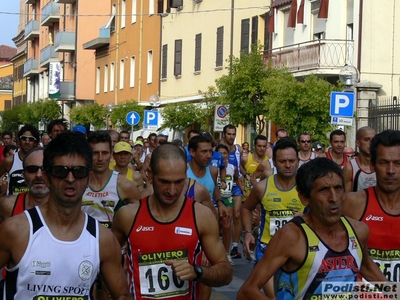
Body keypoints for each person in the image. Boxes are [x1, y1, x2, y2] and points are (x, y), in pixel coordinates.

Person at [0, 131, 133, 300]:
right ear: (47, 177)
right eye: (60, 171)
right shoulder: (15, 230)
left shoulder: (103, 239)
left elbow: (122, 294)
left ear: (88, 178)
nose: (70, 179)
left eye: (79, 171)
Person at [238, 157, 387, 300]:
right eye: (324, 190)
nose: (333, 198)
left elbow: (372, 274)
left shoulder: (359, 231)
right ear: (304, 198)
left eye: (338, 188)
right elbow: (247, 292)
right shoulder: (291, 236)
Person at [111, 143, 232, 299]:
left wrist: (197, 271)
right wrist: (120, 293)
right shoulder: (128, 216)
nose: (172, 190)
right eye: (165, 182)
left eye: (179, 182)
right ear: (150, 174)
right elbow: (108, 262)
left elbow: (226, 272)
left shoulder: (201, 216)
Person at [241, 137, 304, 297]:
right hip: (267, 251)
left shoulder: (307, 187)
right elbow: (246, 208)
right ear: (274, 162)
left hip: (298, 251)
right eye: (283, 161)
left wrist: (306, 217)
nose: (288, 165)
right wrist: (248, 232)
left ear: (298, 161)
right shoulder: (262, 187)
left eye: (292, 160)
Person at [343, 129, 400, 282]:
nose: (390, 171)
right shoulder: (353, 203)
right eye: (383, 163)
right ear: (373, 165)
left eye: (397, 163)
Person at [81, 131, 140, 228]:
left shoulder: (125, 185)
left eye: (104, 153)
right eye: (95, 153)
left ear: (111, 154)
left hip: (111, 241)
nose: (100, 158)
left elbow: (140, 219)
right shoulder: (78, 183)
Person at [0, 148, 49, 224]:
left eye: (45, 169)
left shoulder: (68, 208)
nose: (39, 175)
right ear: (24, 176)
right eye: (32, 169)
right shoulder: (7, 206)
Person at [219, 124, 244, 259]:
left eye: (233, 134)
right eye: (229, 134)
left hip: (235, 182)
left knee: (237, 214)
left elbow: (240, 167)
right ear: (224, 135)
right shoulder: (218, 148)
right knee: (224, 218)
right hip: (223, 184)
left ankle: (234, 246)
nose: (231, 137)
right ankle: (222, 244)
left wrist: (244, 179)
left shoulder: (238, 149)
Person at [0, 125, 39, 196]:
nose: (27, 142)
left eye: (30, 139)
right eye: (24, 138)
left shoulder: (41, 162)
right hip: (13, 205)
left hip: (34, 205)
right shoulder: (9, 161)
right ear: (19, 141)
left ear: (35, 142)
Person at [343, 126, 376, 192]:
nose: (371, 143)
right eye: (367, 139)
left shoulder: (383, 165)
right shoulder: (350, 168)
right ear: (357, 143)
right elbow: (345, 198)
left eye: (374, 140)